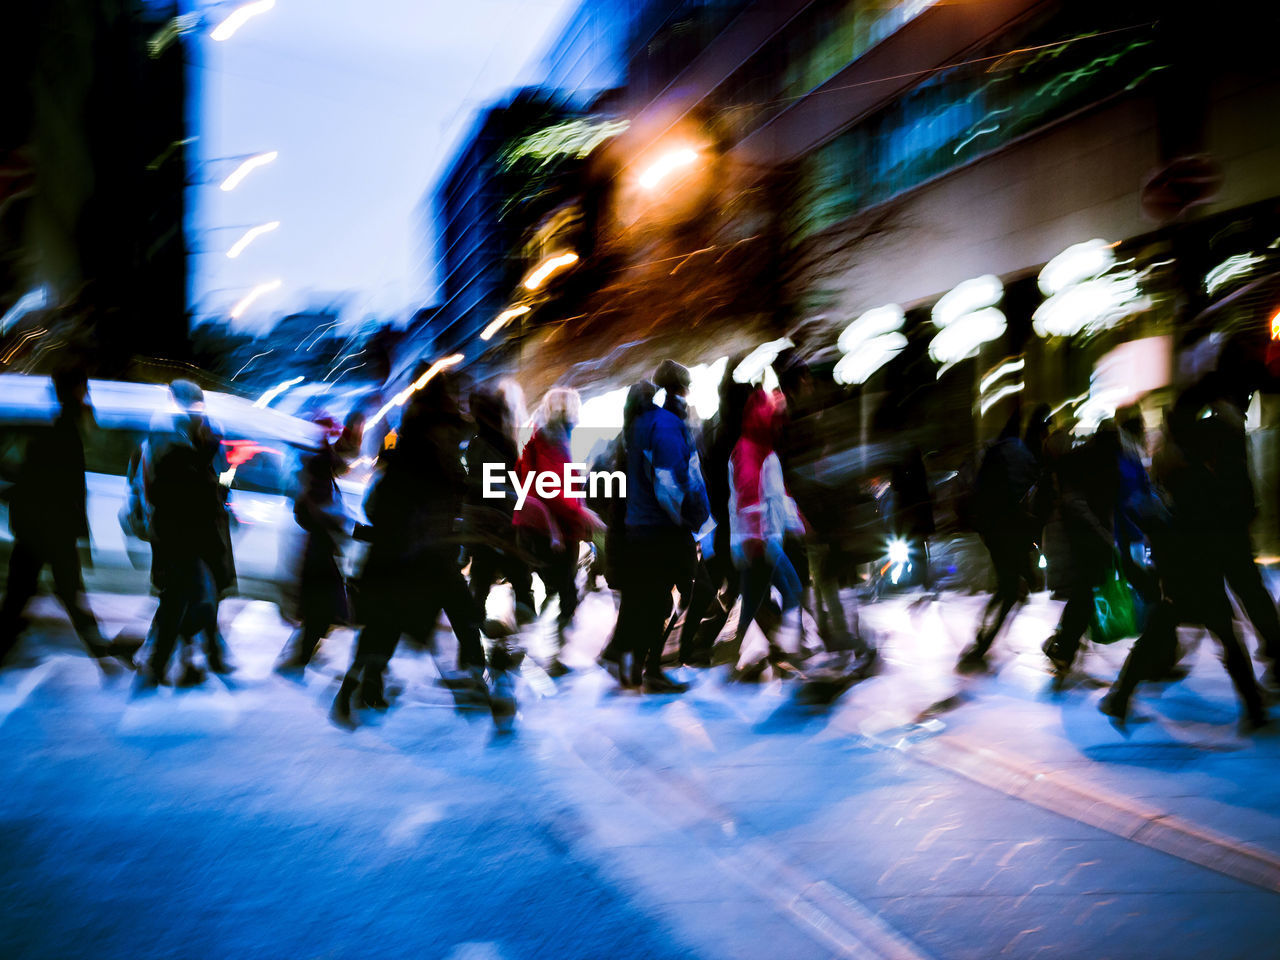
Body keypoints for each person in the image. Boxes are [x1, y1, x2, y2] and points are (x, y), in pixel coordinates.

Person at [1101, 386, 1269, 731]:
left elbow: (1171, 516)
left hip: (1183, 567)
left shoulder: (1178, 467)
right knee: (1222, 633)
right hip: (1197, 566)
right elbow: (1197, 518)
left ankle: (1120, 697)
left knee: (1171, 630)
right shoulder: (1194, 470)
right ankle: (1254, 708)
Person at [334, 374, 484, 723]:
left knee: (386, 627)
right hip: (423, 556)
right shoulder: (433, 458)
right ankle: (483, 686)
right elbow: (449, 497)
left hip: (403, 556)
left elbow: (375, 507)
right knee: (458, 617)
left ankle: (357, 689)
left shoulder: (404, 451)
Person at [0, 366, 113, 670]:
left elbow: (35, 481)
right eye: (84, 389)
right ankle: (99, 649)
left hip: (39, 529)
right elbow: (67, 488)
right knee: (58, 592)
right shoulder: (63, 432)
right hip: (51, 530)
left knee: (25, 593)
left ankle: (99, 648)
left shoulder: (54, 430)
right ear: (77, 390)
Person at [138, 379, 237, 687]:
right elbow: (167, 490)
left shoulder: (204, 434)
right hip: (180, 535)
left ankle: (170, 663)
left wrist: (222, 490)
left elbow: (221, 480)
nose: (196, 409)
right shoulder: (168, 438)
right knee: (189, 600)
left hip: (201, 532)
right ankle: (163, 663)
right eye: (191, 403)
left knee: (192, 598)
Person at [619, 360, 710, 693]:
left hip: (641, 525)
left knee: (652, 598)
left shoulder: (640, 423)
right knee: (689, 592)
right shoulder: (667, 424)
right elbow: (670, 481)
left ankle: (635, 663)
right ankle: (652, 666)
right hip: (663, 527)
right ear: (682, 388)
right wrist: (687, 519)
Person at [513, 387, 602, 677]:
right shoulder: (554, 439)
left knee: (556, 590)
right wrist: (583, 513)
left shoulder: (535, 436)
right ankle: (549, 652)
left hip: (529, 525)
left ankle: (524, 639)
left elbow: (521, 474)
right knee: (566, 594)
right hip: (554, 531)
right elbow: (555, 492)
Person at [675, 358, 752, 667]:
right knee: (733, 586)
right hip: (733, 523)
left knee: (716, 585)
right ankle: (701, 644)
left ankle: (697, 645)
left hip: (717, 522)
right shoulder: (735, 434)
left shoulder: (715, 428)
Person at [727, 387, 806, 677]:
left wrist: (796, 521)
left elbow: (776, 492)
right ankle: (775, 652)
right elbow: (749, 495)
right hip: (758, 541)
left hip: (763, 539)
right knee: (789, 589)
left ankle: (749, 658)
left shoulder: (763, 449)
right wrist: (756, 536)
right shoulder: (749, 449)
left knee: (754, 599)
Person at [277, 411, 363, 672]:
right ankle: (299, 656)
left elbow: (342, 460)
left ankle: (300, 653)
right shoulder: (315, 463)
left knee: (322, 605)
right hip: (320, 544)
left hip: (320, 543)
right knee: (323, 604)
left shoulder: (317, 460)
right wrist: (340, 523)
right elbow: (314, 506)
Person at [957, 406, 1039, 672]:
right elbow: (1028, 486)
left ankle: (983, 633)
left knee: (1007, 587)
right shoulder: (1020, 453)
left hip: (993, 530)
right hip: (1011, 529)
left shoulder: (995, 451)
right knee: (1010, 590)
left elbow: (980, 489)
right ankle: (983, 642)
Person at [1040, 422, 1123, 683]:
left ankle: (1063, 645)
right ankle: (1063, 648)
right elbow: (1080, 505)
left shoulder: (1077, 462)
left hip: (1078, 541)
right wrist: (1103, 532)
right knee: (1084, 597)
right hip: (1082, 542)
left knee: (1082, 596)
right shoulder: (1094, 464)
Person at [464, 384, 535, 630]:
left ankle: (472, 641)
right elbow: (506, 483)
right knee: (519, 579)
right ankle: (525, 632)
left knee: (482, 581)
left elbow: (477, 486)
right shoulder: (503, 442)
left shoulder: (478, 443)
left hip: (487, 524)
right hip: (503, 522)